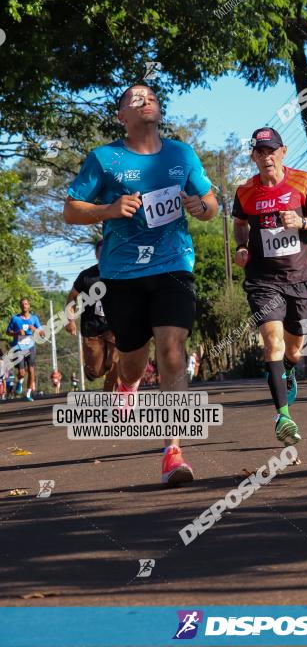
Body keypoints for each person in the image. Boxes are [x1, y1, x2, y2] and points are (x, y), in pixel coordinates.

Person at [63, 83, 218, 486]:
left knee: (172, 349)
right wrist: (110, 209)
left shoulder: (181, 154)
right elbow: (70, 210)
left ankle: (173, 450)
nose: (144, 100)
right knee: (133, 357)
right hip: (123, 274)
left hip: (173, 266)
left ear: (159, 110)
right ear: (121, 117)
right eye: (134, 99)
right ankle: (128, 384)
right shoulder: (104, 158)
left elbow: (210, 206)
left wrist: (198, 206)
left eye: (150, 97)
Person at [232, 127, 307, 446]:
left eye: (271, 150)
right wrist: (242, 246)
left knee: (294, 350)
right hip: (263, 280)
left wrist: (302, 222)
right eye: (260, 152)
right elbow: (239, 224)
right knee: (272, 342)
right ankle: (283, 417)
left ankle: (286, 369)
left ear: (283, 151)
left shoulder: (302, 181)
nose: (266, 157)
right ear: (253, 156)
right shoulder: (245, 191)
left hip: (301, 279)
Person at [65, 239, 119, 392]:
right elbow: (72, 297)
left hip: (114, 326)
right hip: (91, 328)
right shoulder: (86, 276)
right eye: (101, 253)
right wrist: (70, 320)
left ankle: (111, 396)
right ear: (96, 255)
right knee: (96, 370)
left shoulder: (120, 273)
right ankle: (91, 368)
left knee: (116, 361)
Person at [6, 298, 44, 401]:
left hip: (30, 345)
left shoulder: (34, 318)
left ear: (29, 306)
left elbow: (42, 333)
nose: (24, 306)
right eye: (22, 304)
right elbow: (8, 332)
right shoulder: (15, 319)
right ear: (20, 306)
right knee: (22, 373)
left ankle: (28, 393)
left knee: (31, 370)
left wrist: (35, 329)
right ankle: (20, 382)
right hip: (18, 346)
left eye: (26, 304)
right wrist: (17, 333)